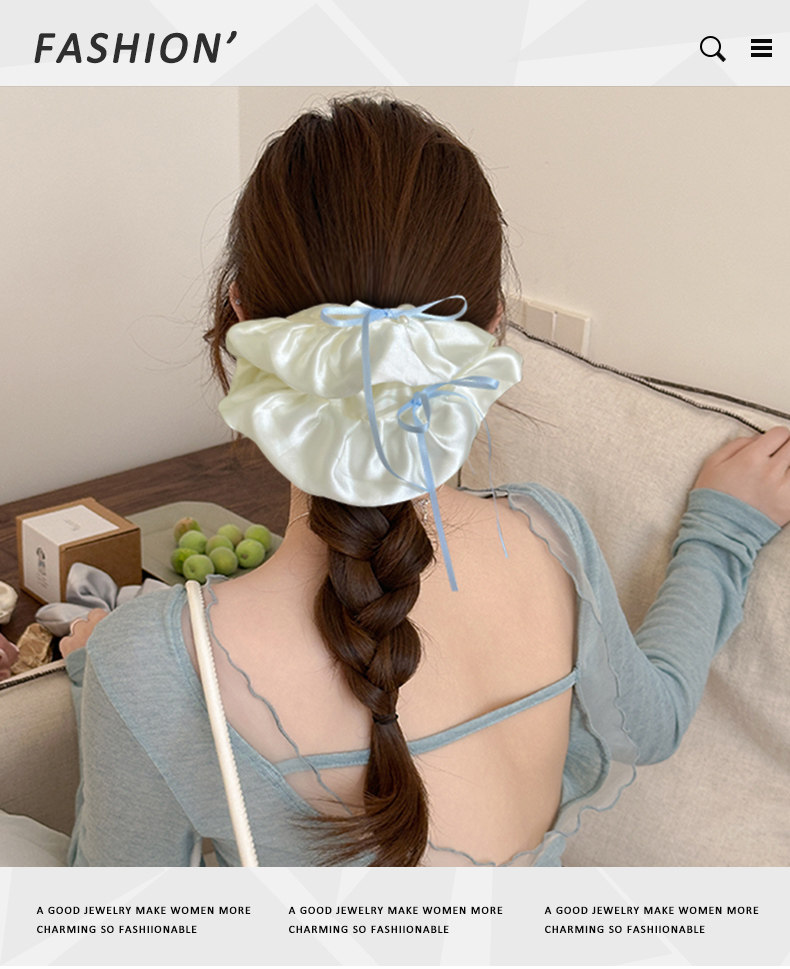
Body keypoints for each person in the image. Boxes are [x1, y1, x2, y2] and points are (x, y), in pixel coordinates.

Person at [60, 97, 790, 868]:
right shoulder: (550, 540)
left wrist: (109, 676)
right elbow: (654, 723)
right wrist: (724, 530)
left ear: (242, 317)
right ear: (491, 329)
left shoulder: (157, 663)